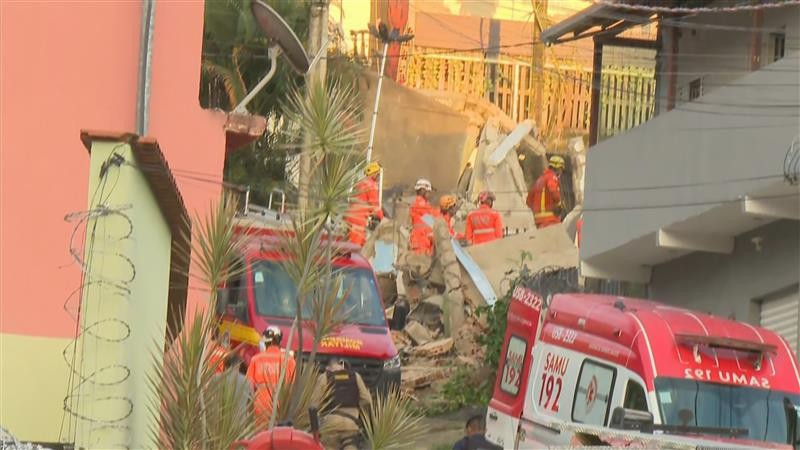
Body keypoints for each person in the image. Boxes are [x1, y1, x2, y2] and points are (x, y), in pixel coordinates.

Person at [246, 326, 296, 429]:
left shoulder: (256, 359)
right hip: (281, 407)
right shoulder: (289, 360)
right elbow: (293, 387)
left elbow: (249, 386)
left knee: (261, 435)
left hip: (261, 406)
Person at [318, 358, 371, 450]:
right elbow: (367, 400)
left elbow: (314, 403)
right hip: (351, 426)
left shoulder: (324, 377)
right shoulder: (355, 376)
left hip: (331, 426)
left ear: (328, 367)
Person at [345, 162, 384, 246]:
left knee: (359, 243)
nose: (378, 177)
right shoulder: (371, 185)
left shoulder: (360, 183)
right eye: (377, 174)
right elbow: (375, 206)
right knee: (355, 246)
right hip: (358, 218)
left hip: (350, 216)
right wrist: (382, 219)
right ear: (374, 174)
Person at [527, 155, 565, 229]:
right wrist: (559, 204)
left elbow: (529, 201)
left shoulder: (539, 180)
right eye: (561, 169)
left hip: (538, 221)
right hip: (550, 219)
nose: (561, 172)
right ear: (557, 168)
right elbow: (554, 192)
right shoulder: (551, 177)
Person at [408, 178, 437, 255]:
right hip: (421, 241)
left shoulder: (421, 203)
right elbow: (431, 221)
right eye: (428, 192)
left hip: (423, 240)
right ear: (422, 190)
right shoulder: (421, 205)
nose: (429, 194)